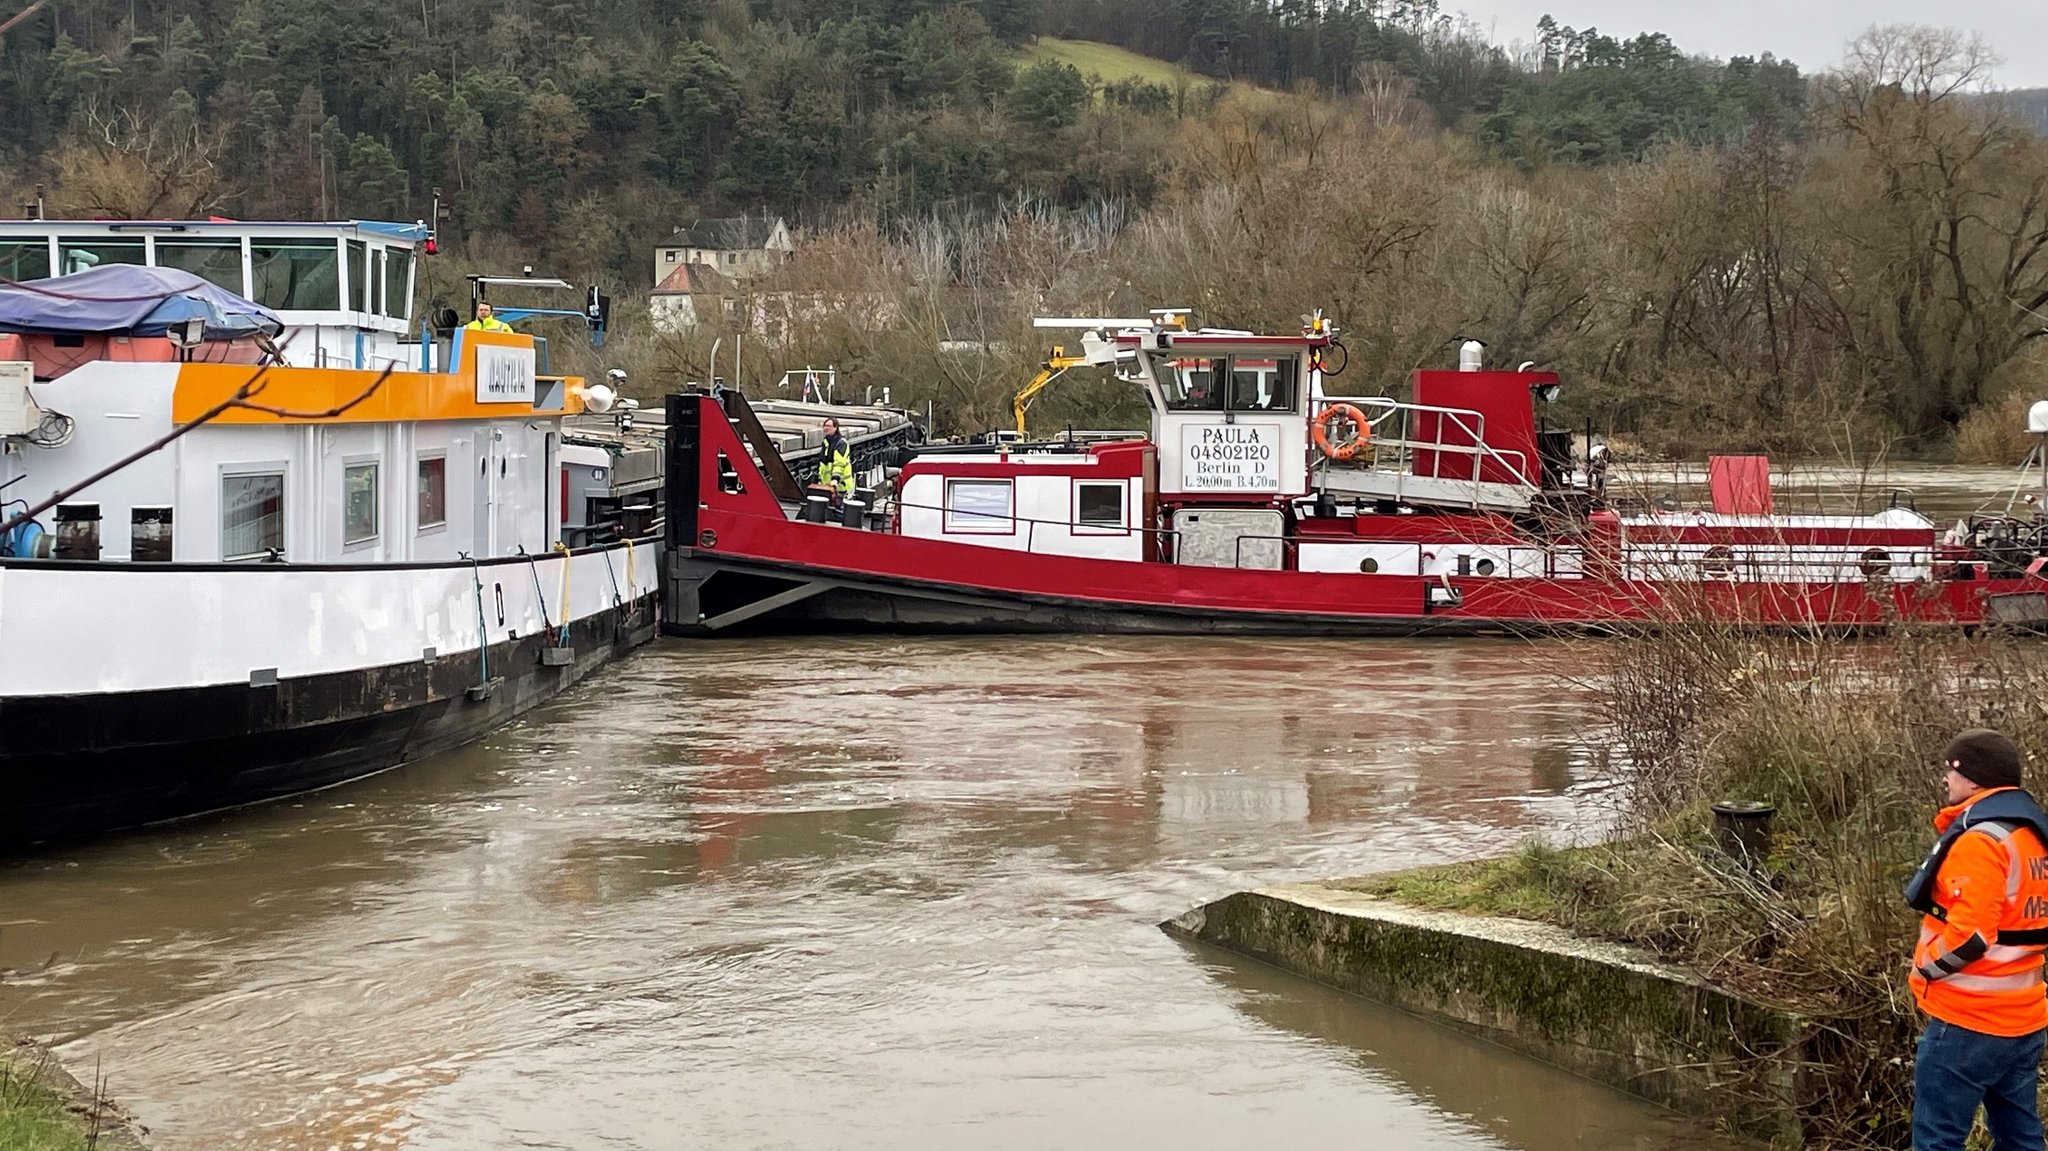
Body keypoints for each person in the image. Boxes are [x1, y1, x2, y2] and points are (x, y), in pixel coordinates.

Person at [1906, 728, 2048, 1151]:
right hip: (2024, 1017)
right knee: (2022, 1139)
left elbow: (1970, 940)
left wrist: (1923, 967)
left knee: (1937, 1141)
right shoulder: (2031, 836)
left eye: (1950, 771)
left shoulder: (1980, 842)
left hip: (1969, 1022)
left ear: (1972, 777)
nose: (1945, 780)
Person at [818, 416, 854, 502]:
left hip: (840, 485)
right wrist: (819, 479)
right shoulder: (826, 442)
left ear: (835, 427)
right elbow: (822, 464)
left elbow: (839, 464)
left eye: (829, 426)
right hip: (827, 486)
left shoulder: (841, 443)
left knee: (838, 510)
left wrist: (835, 479)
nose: (826, 428)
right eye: (825, 426)